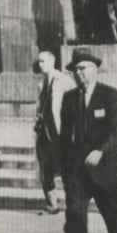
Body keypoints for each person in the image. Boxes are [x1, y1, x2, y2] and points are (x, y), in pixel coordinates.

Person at [51, 47, 117, 233]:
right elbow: (65, 136)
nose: (79, 74)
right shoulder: (69, 99)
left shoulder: (110, 95)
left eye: (83, 68)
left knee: (114, 217)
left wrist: (101, 150)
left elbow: (116, 131)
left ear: (95, 69)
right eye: (75, 70)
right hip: (77, 172)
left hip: (105, 169)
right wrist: (63, 168)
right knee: (75, 218)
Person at [33, 49, 72, 214]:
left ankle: (74, 203)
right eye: (39, 62)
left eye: (43, 61)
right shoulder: (42, 83)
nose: (40, 65)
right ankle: (52, 205)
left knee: (66, 169)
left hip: (59, 133)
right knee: (45, 169)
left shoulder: (63, 80)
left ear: (52, 62)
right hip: (44, 132)